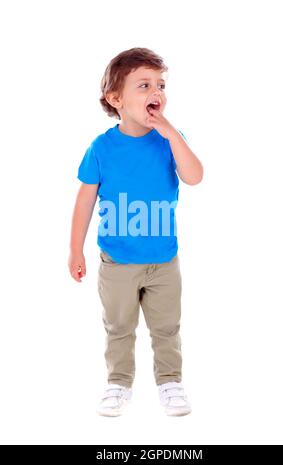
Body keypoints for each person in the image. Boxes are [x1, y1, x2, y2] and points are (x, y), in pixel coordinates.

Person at [68, 47, 203, 417]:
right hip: (117, 262)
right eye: (144, 85)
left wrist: (171, 131)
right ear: (116, 99)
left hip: (163, 262)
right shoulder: (101, 148)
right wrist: (75, 251)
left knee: (166, 327)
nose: (156, 92)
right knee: (119, 327)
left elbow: (194, 176)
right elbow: (84, 202)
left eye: (160, 84)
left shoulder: (169, 141)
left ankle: (170, 382)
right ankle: (118, 383)